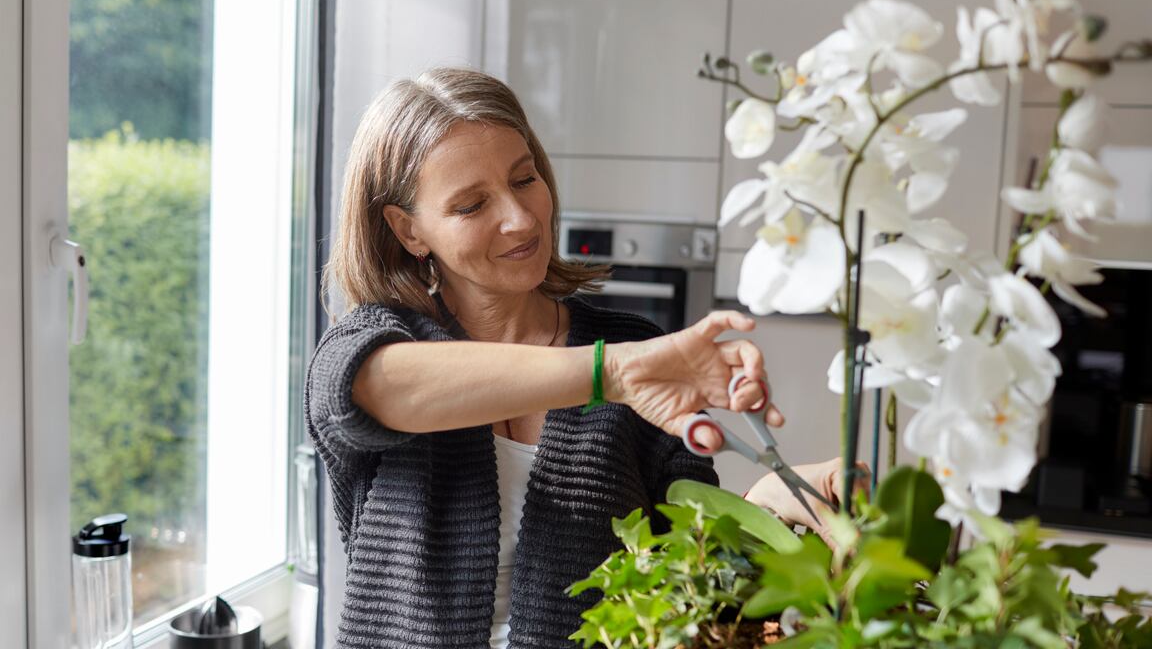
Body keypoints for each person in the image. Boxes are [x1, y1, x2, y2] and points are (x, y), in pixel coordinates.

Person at [306, 67, 854, 649]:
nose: (520, 218)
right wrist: (611, 373)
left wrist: (770, 504)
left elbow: (688, 566)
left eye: (525, 179)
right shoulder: (367, 348)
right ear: (408, 230)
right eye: (471, 205)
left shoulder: (632, 343)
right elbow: (382, 389)